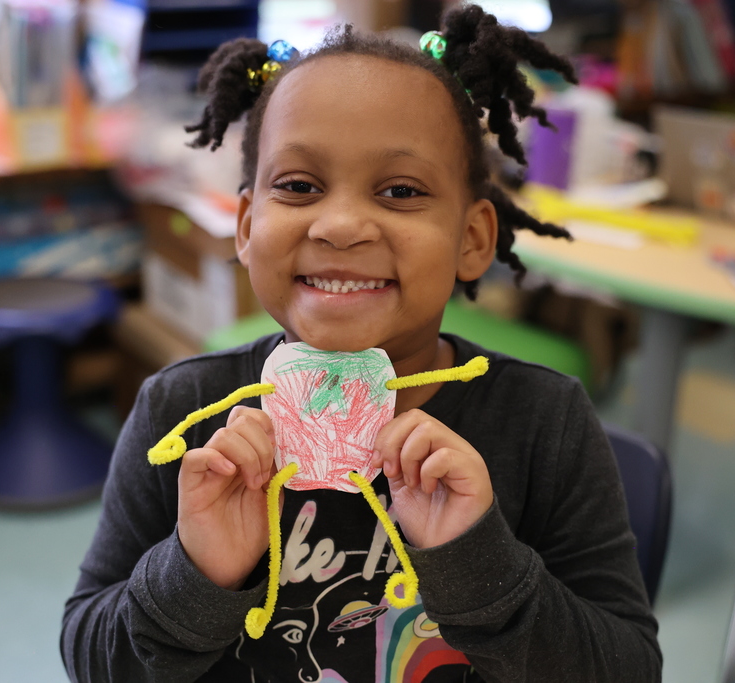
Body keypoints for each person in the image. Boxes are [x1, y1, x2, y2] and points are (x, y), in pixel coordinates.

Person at [61, 5, 661, 682]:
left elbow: (629, 667)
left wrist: (478, 559)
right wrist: (193, 571)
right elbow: (91, 657)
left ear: (473, 239)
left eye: (400, 190)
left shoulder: (543, 421)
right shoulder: (184, 412)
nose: (341, 224)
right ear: (248, 226)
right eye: (299, 185)